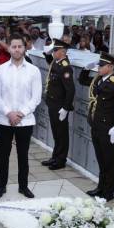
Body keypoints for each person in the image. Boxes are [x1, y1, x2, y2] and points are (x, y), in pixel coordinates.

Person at [0, 33, 41, 199]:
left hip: (25, 121)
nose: (17, 49)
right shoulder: (0, 70)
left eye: (20, 46)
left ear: (25, 47)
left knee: (23, 155)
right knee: (3, 155)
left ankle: (23, 186)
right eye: (14, 46)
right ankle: (1, 186)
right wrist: (8, 113)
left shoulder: (33, 71)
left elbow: (36, 97)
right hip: (4, 120)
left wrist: (20, 113)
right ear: (9, 48)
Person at [78, 52, 114, 201]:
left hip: (108, 128)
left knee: (110, 161)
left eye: (101, 66)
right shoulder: (98, 80)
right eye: (98, 65)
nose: (99, 68)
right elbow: (82, 80)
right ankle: (100, 187)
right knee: (101, 159)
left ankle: (108, 192)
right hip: (96, 126)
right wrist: (86, 68)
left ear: (111, 67)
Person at [41, 39, 75, 171]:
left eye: (56, 50)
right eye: (54, 50)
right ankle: (55, 157)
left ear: (62, 52)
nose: (53, 52)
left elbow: (70, 90)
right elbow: (48, 58)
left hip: (60, 106)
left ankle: (61, 160)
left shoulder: (65, 66)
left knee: (61, 133)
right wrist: (48, 51)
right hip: (52, 103)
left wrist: (65, 108)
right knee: (56, 132)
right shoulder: (56, 62)